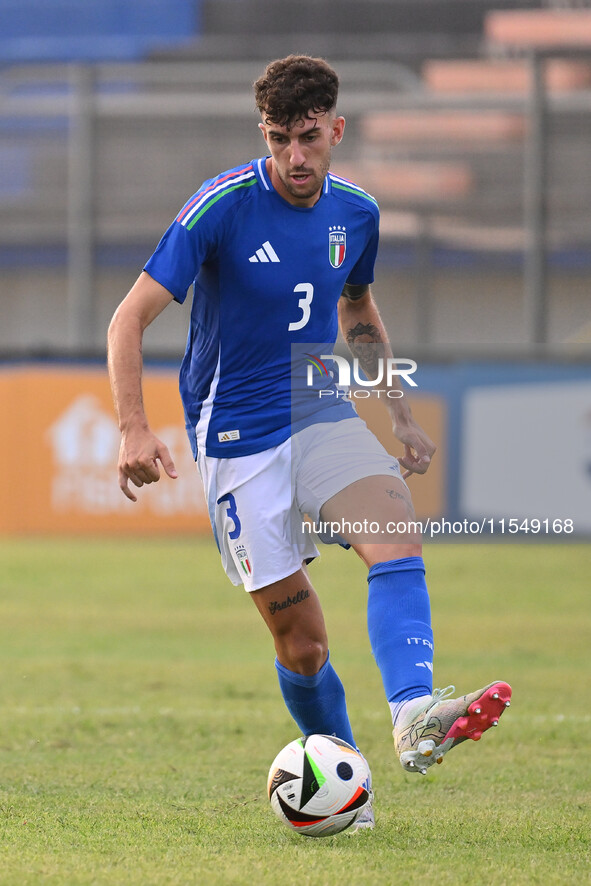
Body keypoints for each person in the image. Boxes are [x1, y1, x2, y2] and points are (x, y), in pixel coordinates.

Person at [107, 55, 512, 830]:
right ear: (264, 134)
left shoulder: (356, 212)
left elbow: (357, 308)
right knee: (302, 647)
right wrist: (133, 424)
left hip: (319, 409)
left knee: (394, 530)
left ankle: (414, 710)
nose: (294, 157)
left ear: (336, 129)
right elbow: (127, 319)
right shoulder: (219, 207)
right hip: (236, 436)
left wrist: (395, 413)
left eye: (307, 138)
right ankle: (347, 790)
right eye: (277, 139)